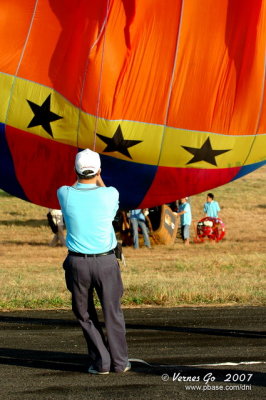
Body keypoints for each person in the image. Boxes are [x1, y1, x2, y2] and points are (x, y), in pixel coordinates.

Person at [57, 148, 130, 375]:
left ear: (75, 170)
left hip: (78, 263)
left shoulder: (64, 193)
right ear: (99, 171)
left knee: (85, 314)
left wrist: (88, 174)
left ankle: (101, 363)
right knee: (113, 313)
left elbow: (76, 184)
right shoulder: (110, 193)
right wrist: (98, 176)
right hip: (106, 262)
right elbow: (102, 189)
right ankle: (120, 363)